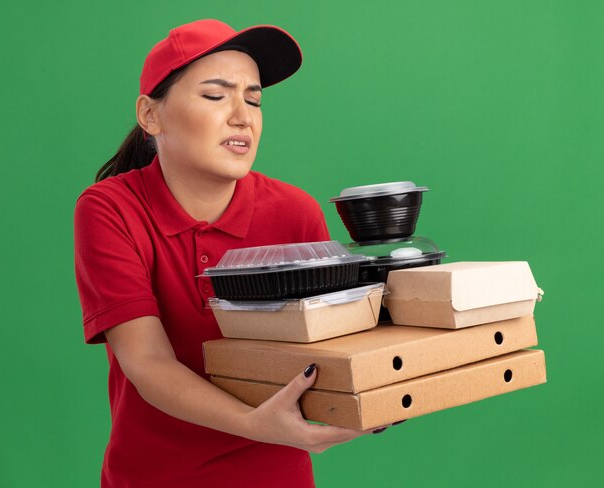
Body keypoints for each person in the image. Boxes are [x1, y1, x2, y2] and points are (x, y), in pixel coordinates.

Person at [74, 19, 388, 487]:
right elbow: (147, 363)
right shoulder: (109, 209)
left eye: (255, 99)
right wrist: (254, 423)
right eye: (216, 96)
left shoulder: (295, 213)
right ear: (150, 115)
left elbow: (331, 345)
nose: (243, 116)